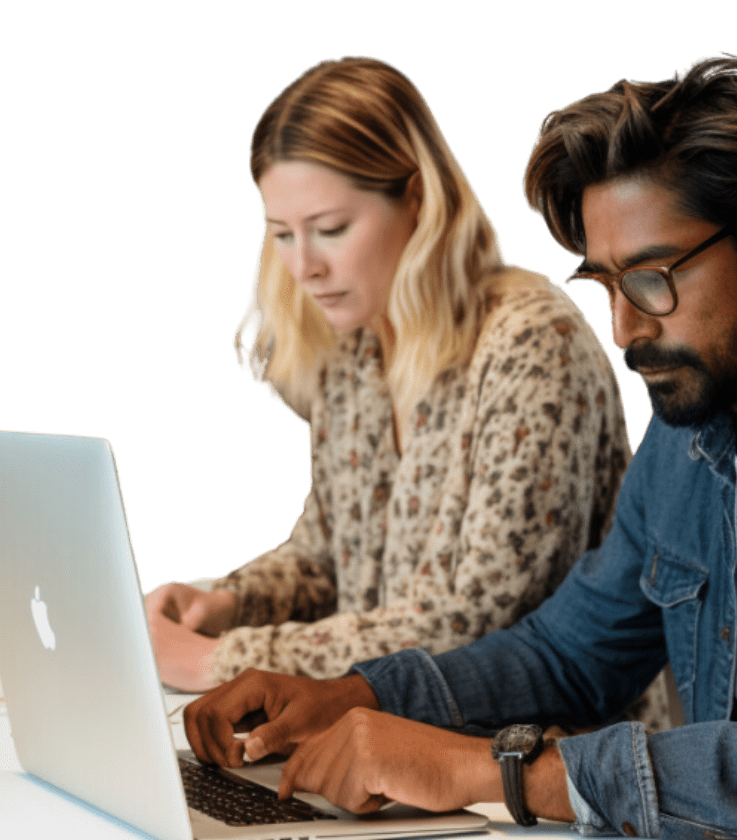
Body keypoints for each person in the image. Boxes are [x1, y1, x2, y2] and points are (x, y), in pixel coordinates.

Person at [183, 52, 737, 839]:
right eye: (606, 286)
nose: (626, 331)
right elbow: (569, 653)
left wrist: (502, 771)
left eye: (653, 278)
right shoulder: (688, 443)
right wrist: (359, 695)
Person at [146, 56, 632, 698]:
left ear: (418, 199)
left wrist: (218, 661)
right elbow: (325, 561)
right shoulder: (355, 347)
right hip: (385, 739)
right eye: (282, 236)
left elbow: (483, 623)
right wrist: (230, 602)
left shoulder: (533, 343)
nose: (304, 266)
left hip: (540, 762)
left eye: (330, 229)